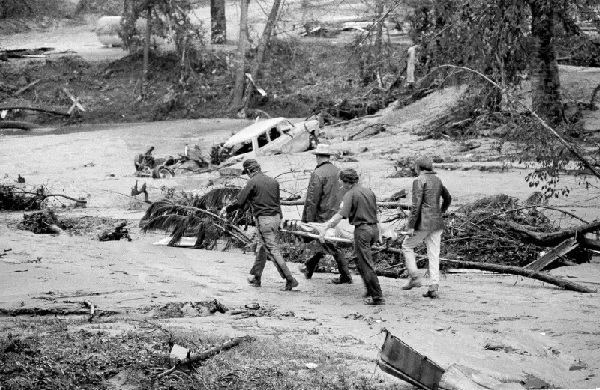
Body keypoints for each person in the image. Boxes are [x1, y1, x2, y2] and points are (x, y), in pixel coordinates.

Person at [226, 159, 299, 291]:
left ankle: (290, 279)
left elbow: (241, 202)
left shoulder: (252, 182)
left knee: (272, 250)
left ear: (248, 170)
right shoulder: (274, 181)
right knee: (262, 247)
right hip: (276, 218)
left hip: (263, 220)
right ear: (259, 168)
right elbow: (277, 202)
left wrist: (227, 209)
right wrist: (280, 219)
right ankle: (256, 276)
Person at [318, 168, 384, 305]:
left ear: (347, 182)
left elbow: (339, 216)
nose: (341, 185)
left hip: (362, 230)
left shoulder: (350, 194)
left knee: (366, 264)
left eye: (342, 182)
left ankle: (377, 297)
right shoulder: (368, 191)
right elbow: (375, 213)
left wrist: (325, 227)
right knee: (361, 261)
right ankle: (369, 289)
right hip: (374, 229)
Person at [301, 144, 352, 284]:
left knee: (328, 243)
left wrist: (308, 221)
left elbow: (312, 199)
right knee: (325, 241)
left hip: (322, 214)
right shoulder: (338, 171)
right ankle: (309, 266)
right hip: (338, 213)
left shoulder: (318, 173)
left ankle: (345, 275)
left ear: (317, 157)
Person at [401, 155, 452, 299]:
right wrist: (441, 211)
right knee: (434, 254)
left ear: (418, 167)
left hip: (423, 223)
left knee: (407, 246)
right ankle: (434, 286)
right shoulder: (437, 180)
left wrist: (411, 225)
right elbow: (448, 198)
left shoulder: (418, 180)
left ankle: (414, 276)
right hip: (437, 223)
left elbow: (416, 205)